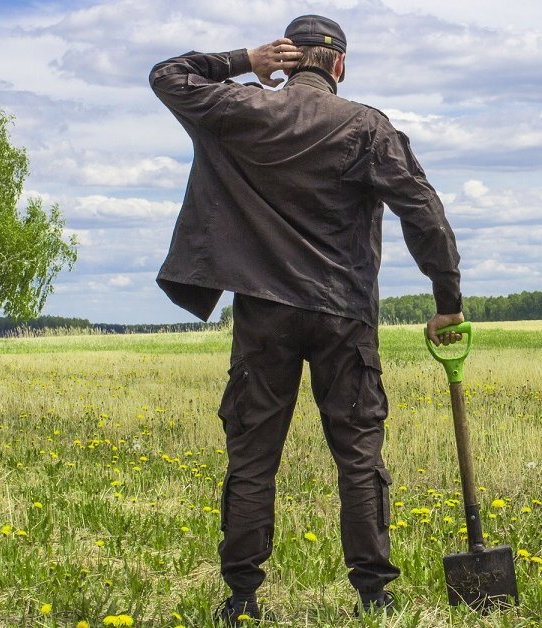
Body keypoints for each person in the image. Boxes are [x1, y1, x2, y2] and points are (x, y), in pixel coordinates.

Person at [149, 14, 465, 622]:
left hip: (263, 314)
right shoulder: (367, 127)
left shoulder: (241, 111)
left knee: (252, 457)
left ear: (287, 59)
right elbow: (423, 212)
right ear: (340, 66)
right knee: (358, 454)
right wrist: (447, 299)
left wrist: (245, 58)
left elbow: (168, 75)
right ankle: (374, 596)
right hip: (343, 315)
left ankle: (241, 600)